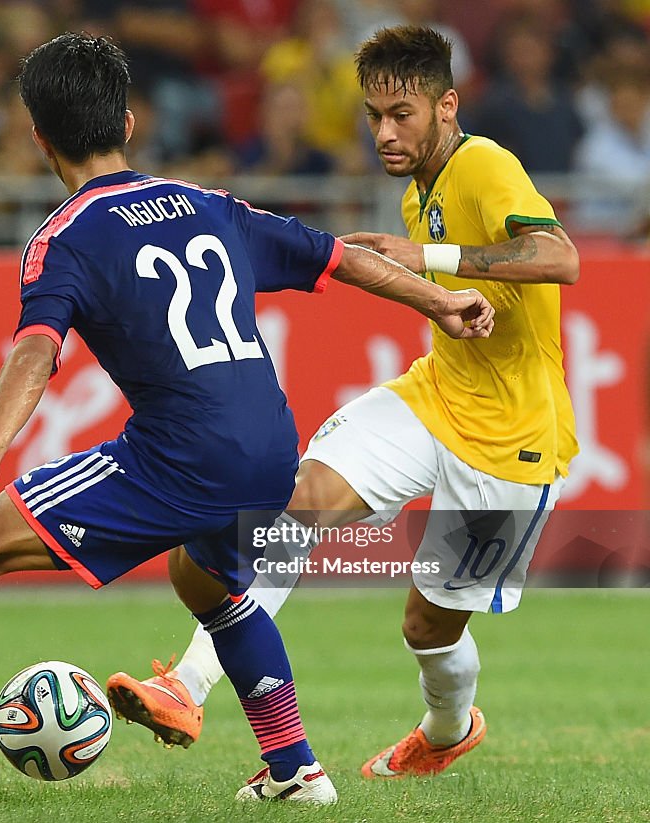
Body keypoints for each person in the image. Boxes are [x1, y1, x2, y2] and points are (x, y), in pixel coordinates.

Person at [0, 32, 493, 803]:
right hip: (272, 450)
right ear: (128, 123)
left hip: (181, 455)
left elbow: (35, 353)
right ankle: (296, 768)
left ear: (38, 138)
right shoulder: (209, 206)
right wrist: (444, 301)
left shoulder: (66, 237)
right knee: (208, 582)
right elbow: (340, 257)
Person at [108, 24, 579, 780]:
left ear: (447, 106)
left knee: (427, 627)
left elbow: (562, 257)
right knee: (293, 501)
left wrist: (428, 258)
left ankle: (449, 727)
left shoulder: (485, 164)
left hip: (513, 440)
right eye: (373, 115)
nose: (385, 132)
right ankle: (185, 685)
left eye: (403, 114)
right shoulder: (416, 189)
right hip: (435, 398)